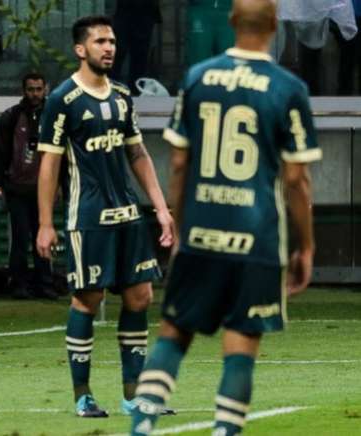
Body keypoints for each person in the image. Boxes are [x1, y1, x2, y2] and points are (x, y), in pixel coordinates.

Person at [129, 1, 321, 434]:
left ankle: (140, 427)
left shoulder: (199, 78)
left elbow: (179, 163)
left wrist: (178, 224)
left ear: (232, 21)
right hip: (257, 238)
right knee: (241, 345)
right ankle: (225, 430)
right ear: (275, 25)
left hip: (202, 232)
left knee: (174, 333)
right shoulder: (287, 87)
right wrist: (304, 245)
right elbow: (297, 180)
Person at [35, 15, 175, 418]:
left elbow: (138, 152)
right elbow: (49, 163)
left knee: (140, 295)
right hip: (89, 216)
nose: (109, 47)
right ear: (81, 49)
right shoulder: (63, 98)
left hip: (128, 213)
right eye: (100, 42)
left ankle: (135, 394)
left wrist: (161, 209)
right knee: (89, 297)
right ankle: (83, 395)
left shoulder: (121, 95)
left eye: (112, 41)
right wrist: (46, 222)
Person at [0, 72, 56, 300]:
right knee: (20, 237)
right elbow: (0, 151)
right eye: (30, 89)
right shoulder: (12, 116)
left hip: (44, 190)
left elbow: (63, 154)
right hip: (17, 187)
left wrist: (63, 184)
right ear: (23, 90)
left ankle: (45, 283)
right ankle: (19, 283)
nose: (34, 94)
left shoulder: (54, 116)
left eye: (38, 89)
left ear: (45, 89)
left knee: (44, 236)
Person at [111, 0, 161, 95]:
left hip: (142, 14)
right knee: (120, 53)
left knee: (139, 56)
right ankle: (114, 87)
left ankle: (135, 89)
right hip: (129, 14)